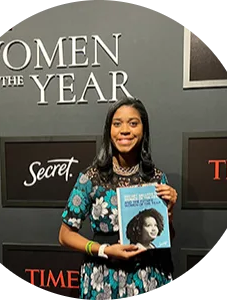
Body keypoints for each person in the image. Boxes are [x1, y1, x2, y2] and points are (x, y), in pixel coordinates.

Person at [59, 97, 177, 299]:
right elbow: (65, 235)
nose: (125, 130)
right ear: (109, 130)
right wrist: (103, 249)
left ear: (143, 130)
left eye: (133, 123)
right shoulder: (91, 178)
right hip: (104, 278)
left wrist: (170, 211)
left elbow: (166, 238)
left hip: (148, 277)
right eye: (117, 123)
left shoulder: (156, 178)